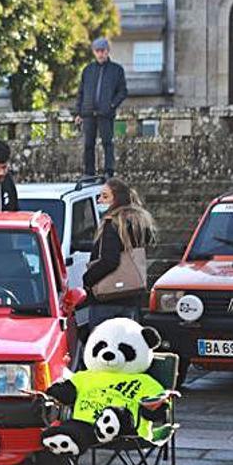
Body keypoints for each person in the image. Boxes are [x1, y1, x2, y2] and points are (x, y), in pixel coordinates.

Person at [82, 178, 156, 333]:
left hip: (107, 298)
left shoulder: (113, 224)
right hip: (131, 294)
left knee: (102, 344)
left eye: (105, 196)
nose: (99, 200)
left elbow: (110, 260)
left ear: (117, 199)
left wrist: (88, 278)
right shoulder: (138, 223)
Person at [75, 37, 128, 178]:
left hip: (105, 113)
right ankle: (89, 172)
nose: (100, 54)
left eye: (102, 51)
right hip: (88, 113)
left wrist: (111, 105)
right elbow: (81, 91)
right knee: (88, 144)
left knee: (107, 143)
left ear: (107, 51)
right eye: (97, 51)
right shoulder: (87, 70)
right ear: (94, 52)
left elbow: (123, 91)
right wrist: (78, 112)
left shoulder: (116, 70)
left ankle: (109, 171)